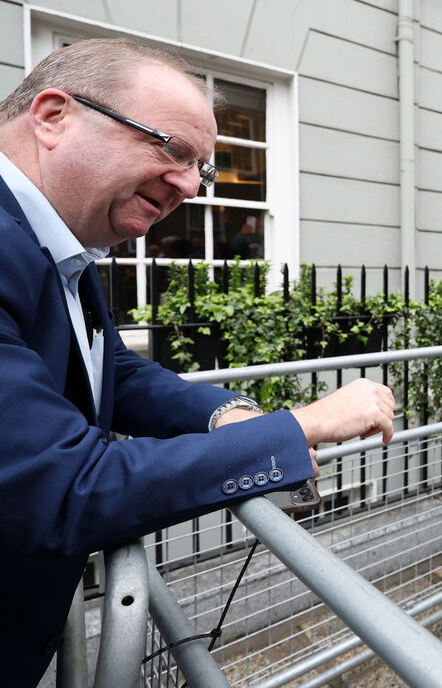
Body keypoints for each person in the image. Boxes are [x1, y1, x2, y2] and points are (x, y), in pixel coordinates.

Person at [0, 39, 396, 685]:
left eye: (200, 169)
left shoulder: (58, 241)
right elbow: (67, 487)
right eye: (172, 149)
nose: (190, 186)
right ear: (52, 116)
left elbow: (113, 370)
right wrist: (300, 425)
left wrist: (225, 414)